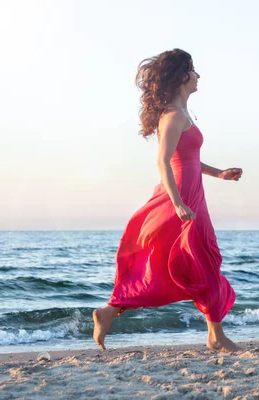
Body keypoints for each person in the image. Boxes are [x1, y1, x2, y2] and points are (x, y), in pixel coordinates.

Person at [93, 48, 243, 352]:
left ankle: (110, 312)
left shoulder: (182, 114)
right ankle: (215, 336)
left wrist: (220, 174)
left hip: (191, 197)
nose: (198, 75)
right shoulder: (173, 116)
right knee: (195, 263)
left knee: (204, 263)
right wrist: (176, 202)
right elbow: (163, 162)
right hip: (181, 199)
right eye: (193, 70)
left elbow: (188, 159)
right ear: (181, 76)